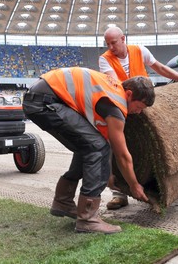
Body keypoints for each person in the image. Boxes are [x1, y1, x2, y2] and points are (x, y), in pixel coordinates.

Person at [22, 67, 154, 234]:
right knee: (96, 147)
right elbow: (122, 155)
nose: (139, 112)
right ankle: (88, 219)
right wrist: (134, 185)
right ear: (128, 94)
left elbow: (106, 141)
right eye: (139, 106)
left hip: (42, 97)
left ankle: (63, 201)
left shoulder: (111, 90)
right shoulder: (116, 105)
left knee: (89, 144)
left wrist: (109, 174)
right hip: (45, 101)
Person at [99, 26, 178, 211]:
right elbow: (116, 84)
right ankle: (119, 193)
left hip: (141, 104)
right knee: (118, 147)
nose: (110, 47)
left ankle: (157, 183)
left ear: (123, 39)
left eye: (113, 42)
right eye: (107, 44)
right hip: (123, 106)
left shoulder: (140, 51)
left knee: (153, 144)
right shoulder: (104, 59)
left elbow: (161, 68)